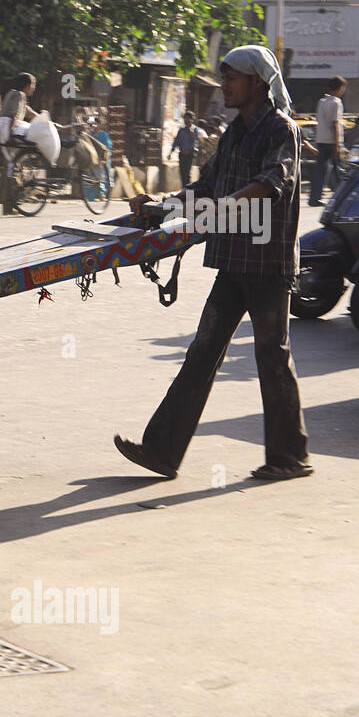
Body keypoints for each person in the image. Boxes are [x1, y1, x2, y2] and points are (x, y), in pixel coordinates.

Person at [115, 44, 311, 482]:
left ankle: (290, 457)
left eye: (231, 79)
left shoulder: (282, 130)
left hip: (267, 263)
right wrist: (162, 204)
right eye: (223, 78)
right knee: (201, 353)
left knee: (271, 357)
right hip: (234, 262)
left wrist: (223, 206)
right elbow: (206, 187)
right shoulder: (234, 132)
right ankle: (163, 451)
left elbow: (272, 182)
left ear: (257, 83)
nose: (224, 87)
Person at [0, 72, 40, 215]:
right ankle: (10, 206)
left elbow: (31, 114)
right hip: (3, 139)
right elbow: (14, 115)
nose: (33, 88)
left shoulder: (13, 95)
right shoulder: (20, 96)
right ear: (27, 86)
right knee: (12, 170)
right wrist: (10, 134)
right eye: (32, 85)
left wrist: (49, 123)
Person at [309, 76, 346, 207]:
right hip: (332, 141)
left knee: (320, 171)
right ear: (340, 88)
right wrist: (337, 145)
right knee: (339, 170)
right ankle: (342, 197)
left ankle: (314, 198)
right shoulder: (336, 102)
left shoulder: (322, 101)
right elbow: (335, 124)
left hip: (321, 140)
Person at [170, 110, 205, 186]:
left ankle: (189, 194)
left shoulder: (195, 130)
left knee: (187, 173)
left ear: (192, 119)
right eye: (185, 119)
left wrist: (191, 133)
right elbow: (177, 141)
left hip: (190, 154)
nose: (186, 120)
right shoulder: (181, 130)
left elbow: (196, 142)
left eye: (188, 118)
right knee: (182, 173)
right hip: (182, 154)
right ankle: (184, 191)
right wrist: (171, 151)